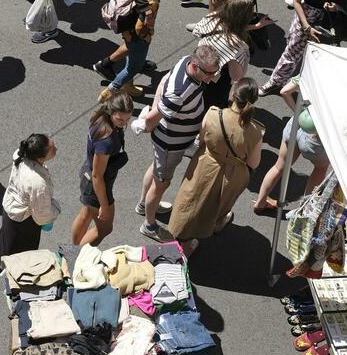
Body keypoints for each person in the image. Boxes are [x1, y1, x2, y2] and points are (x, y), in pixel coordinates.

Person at [168, 78, 264, 255]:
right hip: (234, 173)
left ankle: (185, 242)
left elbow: (203, 138)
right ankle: (217, 222)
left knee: (193, 200)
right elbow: (253, 163)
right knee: (222, 202)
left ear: (234, 95)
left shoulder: (213, 114)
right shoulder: (256, 131)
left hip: (206, 164)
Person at [135, 44, 221, 241]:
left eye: (215, 72)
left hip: (167, 143)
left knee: (155, 170)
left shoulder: (184, 61)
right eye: (209, 73)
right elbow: (152, 119)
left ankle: (143, 205)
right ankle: (149, 225)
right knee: (161, 184)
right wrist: (144, 124)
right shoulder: (180, 92)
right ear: (195, 66)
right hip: (169, 143)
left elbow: (163, 83)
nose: (212, 78)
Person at [259, 0, 347, 95]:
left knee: (325, 54)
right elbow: (297, 1)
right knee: (293, 53)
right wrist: (306, 27)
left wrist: (337, 6)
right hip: (309, 17)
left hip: (330, 20)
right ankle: (275, 82)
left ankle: (316, 86)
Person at [96, 0, 178, 98]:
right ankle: (112, 90)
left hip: (126, 28)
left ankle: (128, 85)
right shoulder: (153, 1)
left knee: (131, 55)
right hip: (136, 37)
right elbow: (141, 28)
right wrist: (148, 34)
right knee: (133, 67)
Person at [253, 78, 330, 214]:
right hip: (317, 138)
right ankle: (303, 210)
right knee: (320, 169)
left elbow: (285, 91)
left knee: (279, 166)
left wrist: (298, 112)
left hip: (296, 125)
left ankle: (260, 203)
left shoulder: (313, 71)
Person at [0, 133, 59, 272]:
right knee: (19, 255)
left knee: (5, 236)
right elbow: (42, 215)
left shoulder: (20, 155)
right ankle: (10, 274)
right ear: (40, 158)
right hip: (24, 221)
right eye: (52, 148)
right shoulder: (38, 183)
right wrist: (55, 209)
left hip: (10, 209)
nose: (56, 149)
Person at [71, 94, 133, 247]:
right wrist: (104, 206)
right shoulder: (107, 140)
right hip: (96, 186)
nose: (124, 123)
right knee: (105, 229)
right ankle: (76, 255)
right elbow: (97, 176)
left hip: (88, 177)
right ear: (111, 112)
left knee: (86, 212)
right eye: (120, 119)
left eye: (127, 119)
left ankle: (71, 249)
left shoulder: (100, 119)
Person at [189, 0, 253, 108]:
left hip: (197, 64)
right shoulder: (237, 44)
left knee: (193, 96)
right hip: (216, 79)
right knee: (211, 104)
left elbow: (196, 30)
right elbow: (237, 76)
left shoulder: (212, 17)